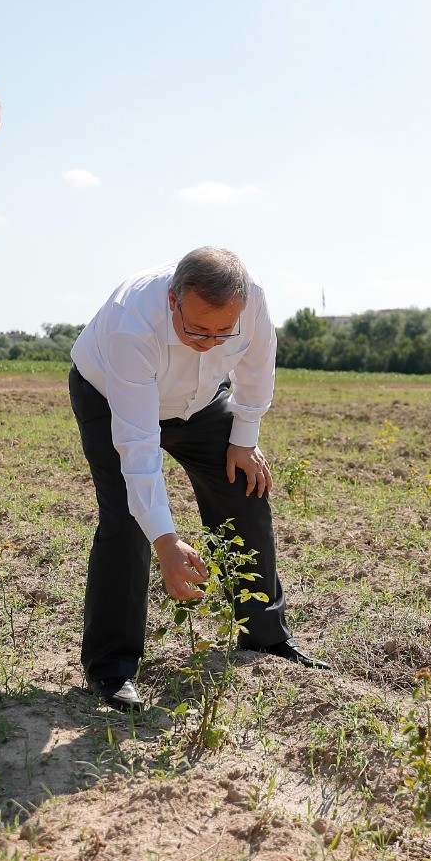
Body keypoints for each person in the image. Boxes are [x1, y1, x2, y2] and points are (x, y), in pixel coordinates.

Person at [69, 246, 328, 712]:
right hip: (111, 395)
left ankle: (265, 636)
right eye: (196, 330)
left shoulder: (254, 301)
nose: (209, 342)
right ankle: (111, 668)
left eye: (221, 332)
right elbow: (139, 449)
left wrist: (244, 439)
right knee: (127, 520)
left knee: (243, 485)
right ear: (173, 300)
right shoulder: (135, 323)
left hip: (203, 401)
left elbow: (256, 368)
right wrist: (166, 542)